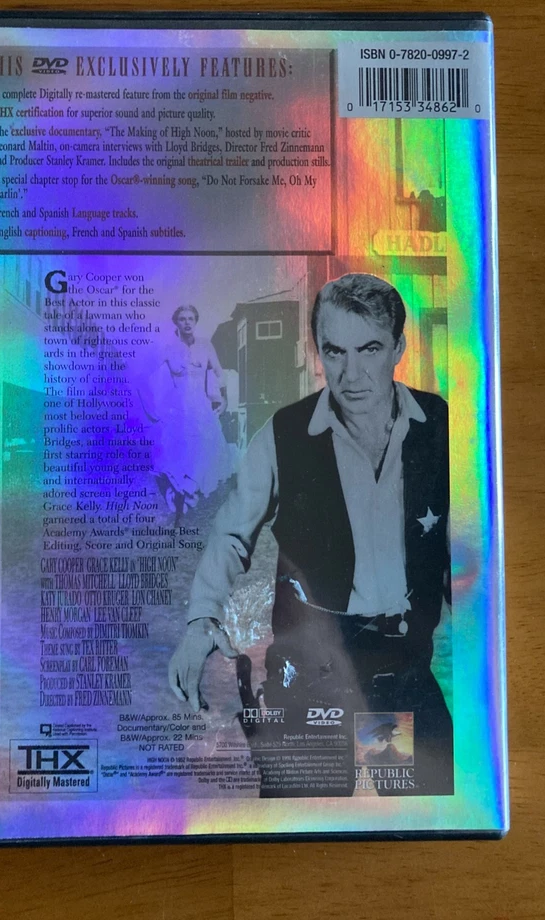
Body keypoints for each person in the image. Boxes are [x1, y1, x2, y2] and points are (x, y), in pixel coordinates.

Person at [168, 274, 453, 797]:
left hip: (401, 666)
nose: (351, 373)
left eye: (369, 349)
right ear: (317, 352)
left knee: (426, 814)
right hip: (308, 670)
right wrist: (201, 620)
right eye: (335, 351)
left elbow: (472, 546)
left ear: (398, 349)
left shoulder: (442, 425)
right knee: (298, 815)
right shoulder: (282, 434)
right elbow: (231, 533)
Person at [147, 305, 234, 519]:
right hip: (178, 410)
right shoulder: (169, 348)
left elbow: (219, 373)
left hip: (201, 409)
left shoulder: (205, 346)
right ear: (176, 322)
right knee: (177, 454)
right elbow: (147, 373)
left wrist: (224, 399)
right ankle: (178, 495)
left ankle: (188, 496)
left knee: (205, 452)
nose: (187, 322)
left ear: (195, 321)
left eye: (191, 319)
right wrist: (151, 406)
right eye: (182, 319)